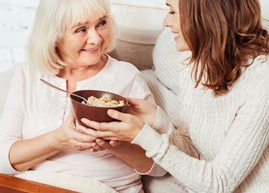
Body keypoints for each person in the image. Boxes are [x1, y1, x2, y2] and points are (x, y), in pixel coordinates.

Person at [80, 0, 269, 192]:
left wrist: (142, 135)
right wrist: (157, 120)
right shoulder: (193, 62)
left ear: (207, 16)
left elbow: (218, 184)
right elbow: (193, 151)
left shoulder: (262, 82)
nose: (166, 22)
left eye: (172, 12)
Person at [0, 0, 168, 192]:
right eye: (81, 30)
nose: (96, 39)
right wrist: (56, 140)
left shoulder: (127, 76)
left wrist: (116, 144)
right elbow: (0, 160)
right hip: (37, 186)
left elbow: (160, 167)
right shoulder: (28, 74)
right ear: (54, 35)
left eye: (101, 23)